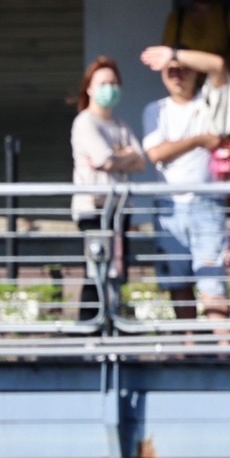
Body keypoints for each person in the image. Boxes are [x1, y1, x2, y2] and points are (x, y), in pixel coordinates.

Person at [141, 42, 230, 322]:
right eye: (170, 71)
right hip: (168, 206)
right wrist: (200, 140)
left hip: (207, 204)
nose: (177, 75)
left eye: (183, 70)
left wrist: (174, 54)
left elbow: (219, 65)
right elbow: (155, 153)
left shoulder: (209, 103)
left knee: (213, 284)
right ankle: (187, 351)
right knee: (178, 285)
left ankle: (223, 354)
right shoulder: (155, 110)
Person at [68, 56, 148, 322]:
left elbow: (140, 161)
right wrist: (120, 158)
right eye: (103, 83)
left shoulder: (120, 125)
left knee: (118, 270)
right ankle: (91, 330)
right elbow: (103, 159)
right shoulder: (85, 122)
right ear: (89, 88)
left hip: (120, 208)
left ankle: (113, 324)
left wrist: (116, 159)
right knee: (95, 271)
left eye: (114, 83)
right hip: (93, 209)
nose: (109, 88)